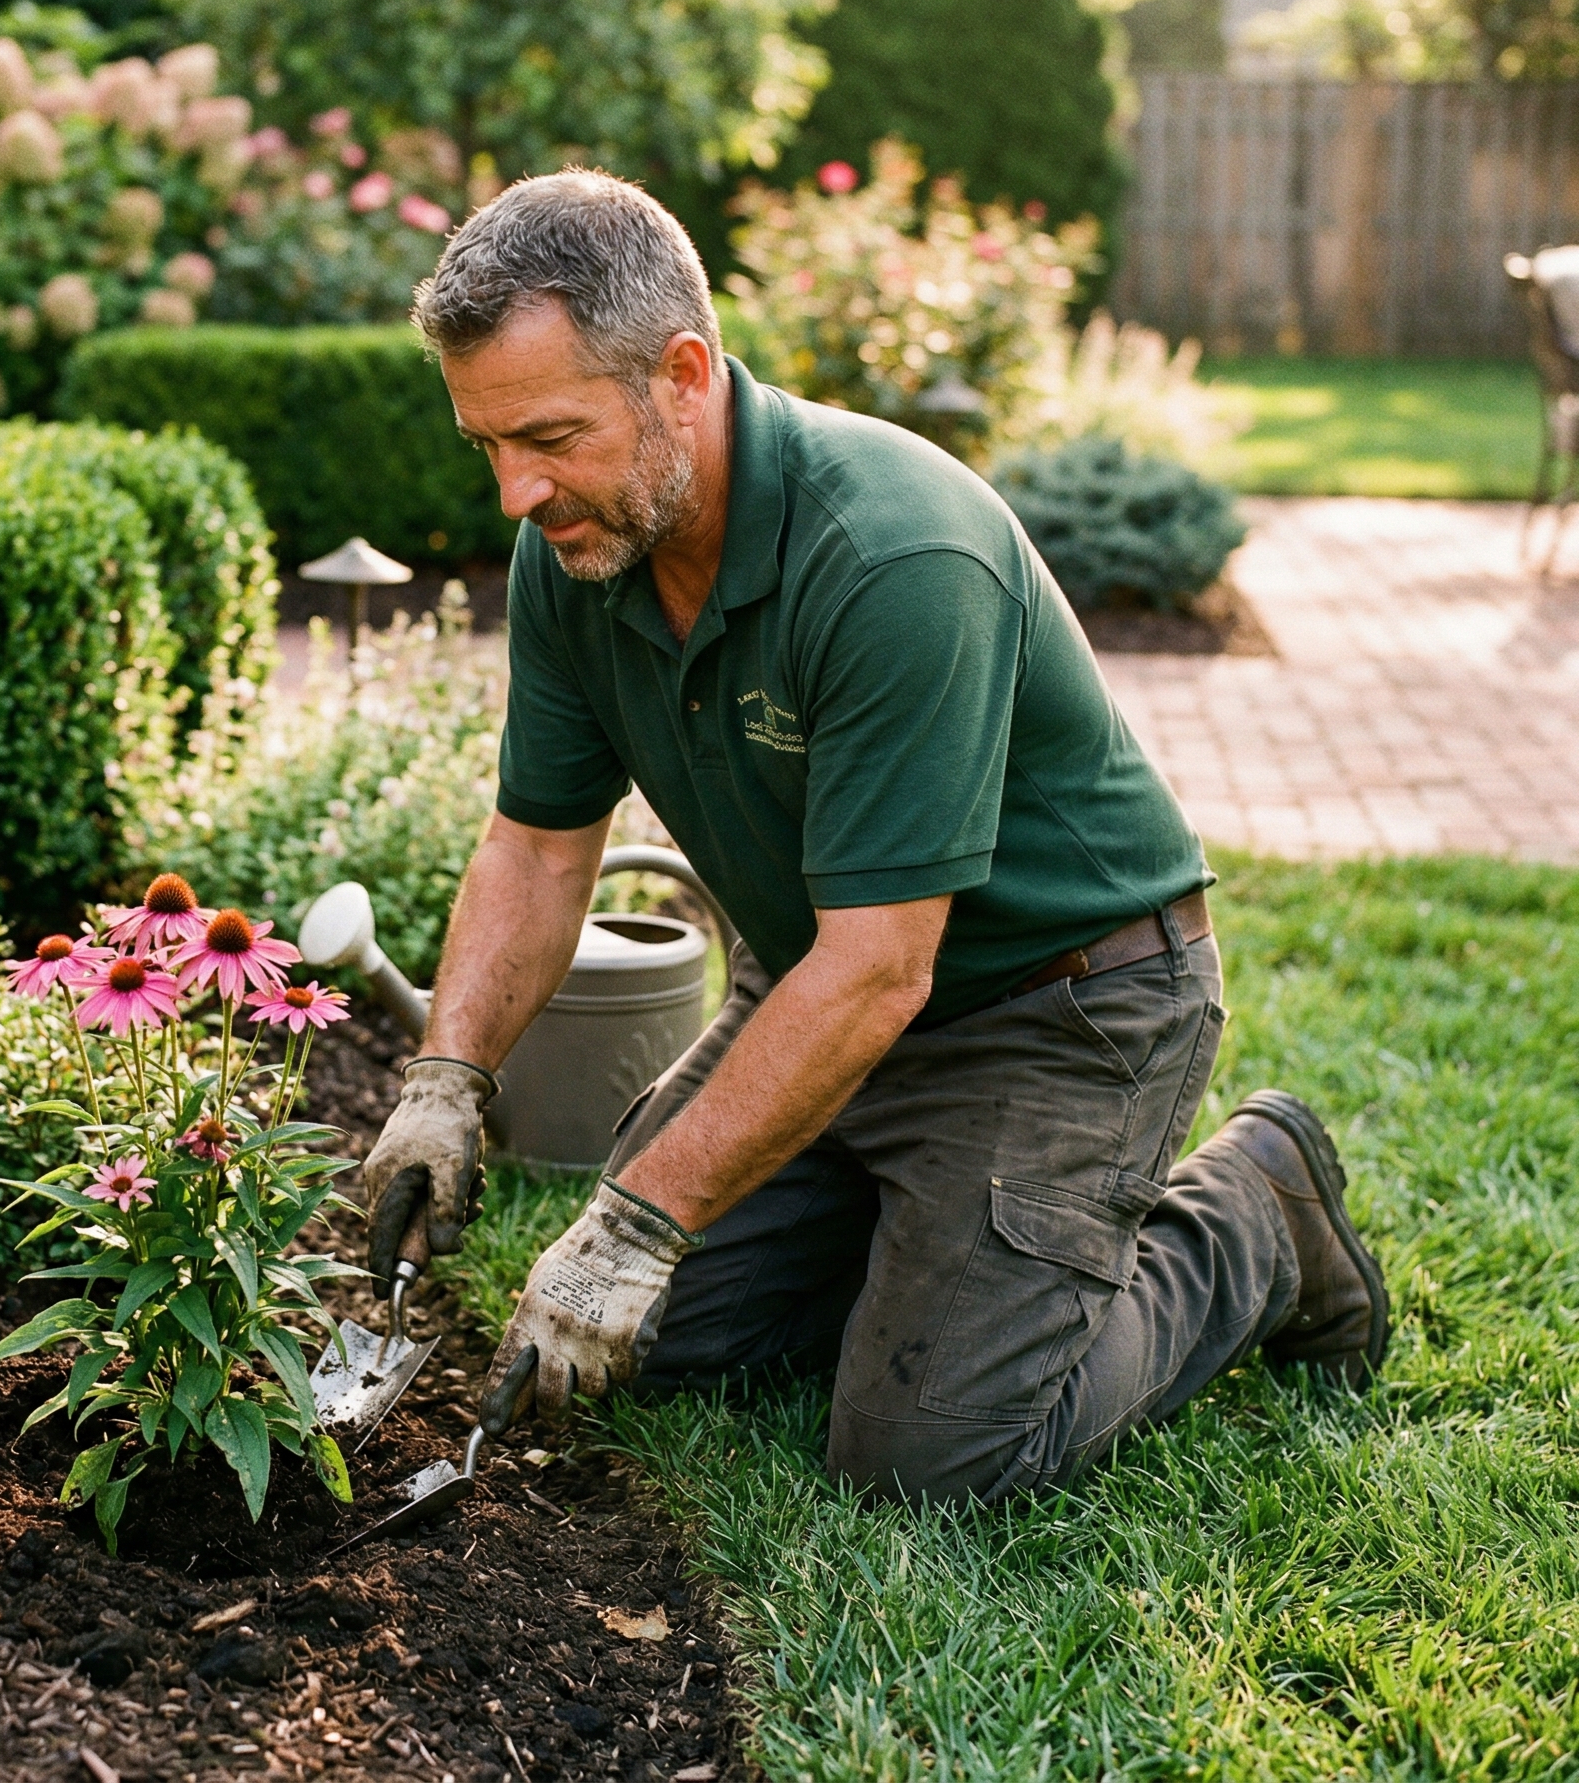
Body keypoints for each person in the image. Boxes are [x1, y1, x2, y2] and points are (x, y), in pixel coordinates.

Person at [360, 169, 1388, 1506]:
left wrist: (635, 1224)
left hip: (1055, 1011)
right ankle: (926, 1238)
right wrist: (447, 1081)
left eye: (550, 436)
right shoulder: (582, 545)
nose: (516, 492)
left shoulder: (896, 557)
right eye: (487, 445)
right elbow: (541, 849)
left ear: (683, 375)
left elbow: (880, 969)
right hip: (822, 990)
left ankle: (1259, 1212)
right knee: (658, 1350)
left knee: (932, 1457)